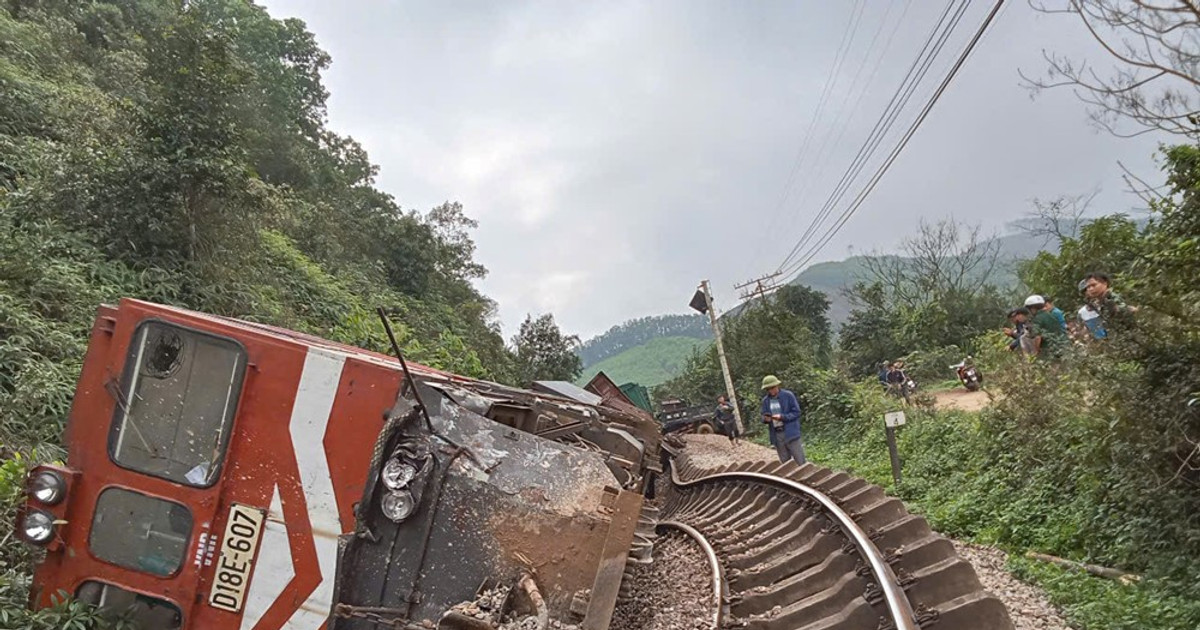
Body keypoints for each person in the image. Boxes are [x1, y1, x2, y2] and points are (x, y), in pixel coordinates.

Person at [760, 375, 806, 465]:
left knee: (800, 459)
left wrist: (782, 417)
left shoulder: (788, 395)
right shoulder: (765, 401)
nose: (771, 391)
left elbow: (796, 412)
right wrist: (766, 419)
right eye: (768, 389)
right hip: (777, 434)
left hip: (791, 432)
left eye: (772, 388)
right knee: (785, 463)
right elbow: (763, 415)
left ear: (777, 386)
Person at [1080, 272, 1136, 336]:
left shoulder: (1112, 298)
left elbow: (1128, 310)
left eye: (1094, 285)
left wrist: (1121, 309)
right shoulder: (1100, 302)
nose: (1091, 289)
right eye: (1088, 287)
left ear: (1105, 283)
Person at [1025, 295, 1068, 359]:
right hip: (1063, 345)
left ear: (1033, 308)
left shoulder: (1037, 319)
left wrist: (1036, 352)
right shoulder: (1050, 314)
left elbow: (1037, 337)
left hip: (1050, 349)